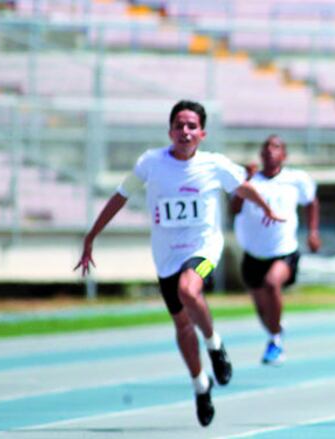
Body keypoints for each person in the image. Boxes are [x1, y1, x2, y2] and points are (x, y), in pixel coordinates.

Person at [74, 100, 282, 427]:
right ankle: (200, 385)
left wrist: (266, 207)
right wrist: (92, 235)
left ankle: (215, 347)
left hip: (202, 248)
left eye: (191, 126)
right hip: (166, 256)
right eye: (179, 126)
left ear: (202, 133)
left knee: (189, 288)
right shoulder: (150, 162)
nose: (185, 132)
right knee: (183, 326)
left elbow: (243, 186)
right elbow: (120, 196)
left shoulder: (214, 164)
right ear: (170, 131)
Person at [231, 134, 320, 365]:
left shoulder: (296, 179)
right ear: (261, 155)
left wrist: (312, 232)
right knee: (263, 311)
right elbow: (234, 208)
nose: (271, 151)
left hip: (284, 251)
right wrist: (246, 181)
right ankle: (275, 330)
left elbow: (311, 201)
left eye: (276, 147)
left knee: (272, 284)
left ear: (284, 155)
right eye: (266, 147)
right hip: (253, 253)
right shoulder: (248, 181)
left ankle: (275, 342)